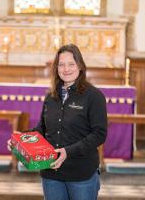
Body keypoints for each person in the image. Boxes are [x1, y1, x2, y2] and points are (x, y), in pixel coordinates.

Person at [9, 44, 107, 200]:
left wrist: (67, 152)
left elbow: (99, 134)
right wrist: (22, 139)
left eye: (71, 64)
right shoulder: (51, 96)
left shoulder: (93, 96)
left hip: (81, 173)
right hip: (51, 173)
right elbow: (42, 128)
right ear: (56, 68)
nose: (66, 69)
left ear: (80, 66)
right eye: (61, 64)